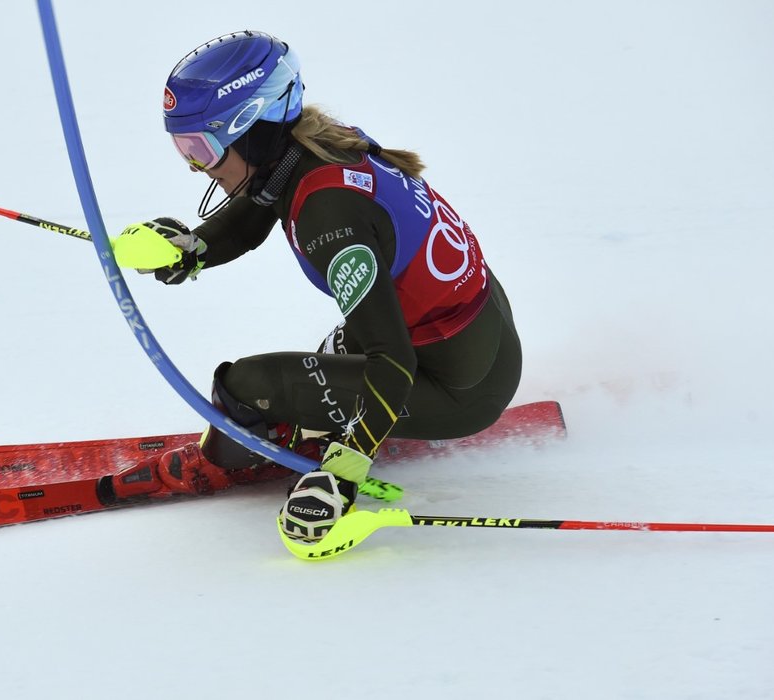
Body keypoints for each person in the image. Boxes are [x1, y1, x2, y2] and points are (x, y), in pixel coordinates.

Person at [118, 30, 522, 542]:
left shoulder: (328, 218)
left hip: (458, 389)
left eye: (199, 147)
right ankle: (318, 422)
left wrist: (343, 473)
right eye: (183, 148)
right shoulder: (316, 147)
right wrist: (192, 249)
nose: (196, 166)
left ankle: (219, 464)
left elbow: (391, 360)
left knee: (246, 388)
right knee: (334, 349)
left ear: (249, 126)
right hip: (484, 338)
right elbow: (253, 213)